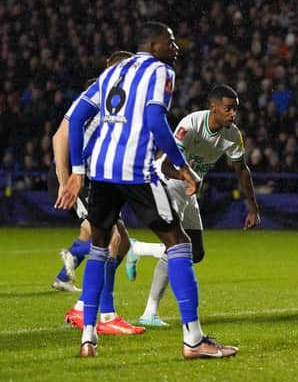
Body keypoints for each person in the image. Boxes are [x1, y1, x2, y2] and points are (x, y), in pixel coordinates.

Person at [56, 21, 237, 359]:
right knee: (179, 243)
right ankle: (194, 341)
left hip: (101, 171)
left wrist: (78, 171)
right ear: (154, 45)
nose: (176, 48)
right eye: (170, 42)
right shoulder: (160, 71)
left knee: (98, 248)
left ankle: (88, 339)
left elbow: (78, 116)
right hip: (136, 169)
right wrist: (182, 166)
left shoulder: (112, 71)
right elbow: (155, 119)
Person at [126, 84, 260, 326]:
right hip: (168, 182)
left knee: (195, 253)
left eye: (235, 110)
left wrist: (253, 207)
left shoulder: (232, 135)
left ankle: (138, 249)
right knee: (176, 246)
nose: (233, 114)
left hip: (189, 188)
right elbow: (167, 164)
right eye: (228, 109)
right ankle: (150, 312)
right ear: (213, 108)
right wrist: (188, 178)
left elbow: (242, 169)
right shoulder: (191, 124)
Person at [49, 50, 145, 334]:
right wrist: (66, 180)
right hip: (83, 179)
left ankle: (82, 305)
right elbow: (60, 135)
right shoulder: (101, 91)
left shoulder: (118, 101)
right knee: (111, 239)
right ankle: (105, 315)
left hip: (98, 177)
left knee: (122, 243)